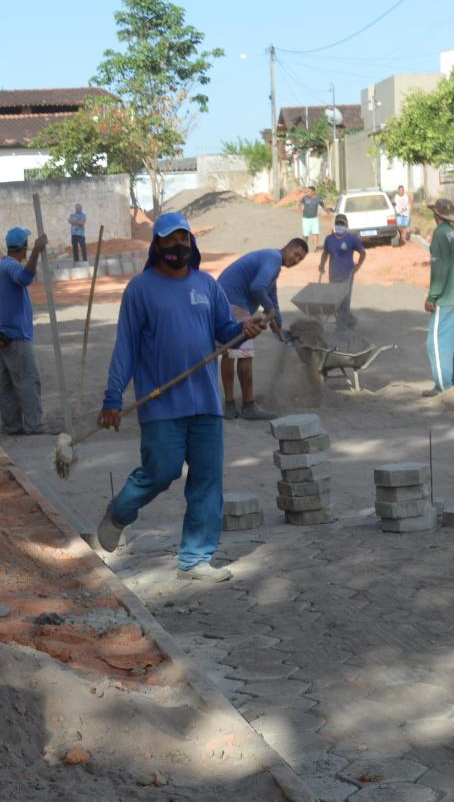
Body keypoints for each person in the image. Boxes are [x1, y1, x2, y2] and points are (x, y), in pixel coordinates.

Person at [95, 211, 268, 583]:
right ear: (156, 246)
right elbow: (125, 348)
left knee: (207, 480)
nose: (178, 245)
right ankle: (120, 512)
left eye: (184, 238)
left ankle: (195, 558)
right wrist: (112, 398)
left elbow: (224, 329)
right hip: (160, 404)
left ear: (192, 243)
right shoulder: (140, 289)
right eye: (170, 240)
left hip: (206, 402)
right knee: (161, 471)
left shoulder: (207, 285)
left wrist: (243, 328)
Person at [215, 237, 309, 420]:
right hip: (234, 303)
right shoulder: (273, 258)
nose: (296, 260)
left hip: (222, 301)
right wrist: (270, 309)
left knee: (229, 352)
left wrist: (278, 325)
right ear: (287, 248)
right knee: (245, 354)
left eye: (301, 259)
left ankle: (230, 405)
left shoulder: (270, 261)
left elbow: (271, 296)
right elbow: (258, 288)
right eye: (296, 254)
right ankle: (248, 406)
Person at [0, 226, 50, 435]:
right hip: (15, 333)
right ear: (23, 248)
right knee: (29, 379)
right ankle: (35, 425)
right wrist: (37, 253)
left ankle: (11, 425)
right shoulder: (12, 266)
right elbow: (25, 278)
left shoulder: (0, 265)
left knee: (8, 384)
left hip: (2, 331)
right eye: (28, 247)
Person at [423, 198, 454, 396]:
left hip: (445, 297)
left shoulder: (440, 234)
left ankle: (443, 387)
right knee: (452, 339)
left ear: (437, 216)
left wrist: (432, 296)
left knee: (436, 341)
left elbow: (440, 268)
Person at [317, 213, 367, 332]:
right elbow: (325, 253)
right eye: (338, 223)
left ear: (346, 225)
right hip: (333, 274)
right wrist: (322, 265)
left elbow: (362, 252)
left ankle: (342, 327)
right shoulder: (329, 239)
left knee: (344, 300)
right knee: (336, 301)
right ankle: (350, 320)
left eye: (342, 224)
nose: (340, 226)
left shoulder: (351, 239)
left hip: (347, 275)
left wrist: (358, 266)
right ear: (335, 225)